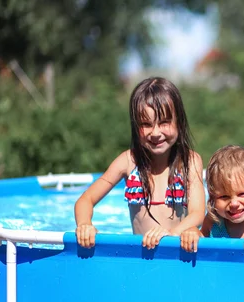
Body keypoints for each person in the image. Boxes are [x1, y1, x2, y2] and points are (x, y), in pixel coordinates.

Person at [74, 77, 205, 250]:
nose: (155, 133)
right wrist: (84, 225)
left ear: (179, 122)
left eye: (164, 122)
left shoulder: (189, 161)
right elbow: (85, 200)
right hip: (140, 257)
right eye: (146, 124)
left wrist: (171, 233)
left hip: (175, 253)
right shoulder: (128, 161)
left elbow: (197, 213)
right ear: (136, 127)